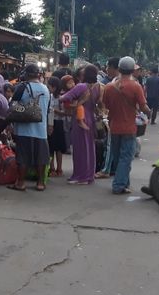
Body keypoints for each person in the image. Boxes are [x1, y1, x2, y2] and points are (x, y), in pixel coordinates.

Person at [103, 57, 150, 195]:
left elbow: (106, 105)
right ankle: (118, 185)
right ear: (132, 70)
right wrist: (148, 112)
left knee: (118, 157)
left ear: (119, 68)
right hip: (129, 127)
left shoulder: (109, 87)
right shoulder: (135, 86)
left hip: (114, 126)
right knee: (126, 158)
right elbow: (143, 106)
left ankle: (124, 183)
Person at [10, 64, 52, 191]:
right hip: (41, 128)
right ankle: (40, 183)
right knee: (41, 157)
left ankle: (21, 183)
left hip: (23, 129)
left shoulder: (21, 87)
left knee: (22, 156)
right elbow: (48, 108)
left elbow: (12, 105)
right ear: (39, 75)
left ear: (26, 74)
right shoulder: (45, 89)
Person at [60, 65, 103, 185]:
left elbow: (64, 98)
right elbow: (99, 103)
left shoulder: (81, 86)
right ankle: (89, 175)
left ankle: (80, 176)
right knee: (89, 148)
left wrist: (72, 101)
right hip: (91, 118)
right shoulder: (98, 87)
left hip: (80, 117)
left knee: (79, 149)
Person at [47, 76, 67, 177]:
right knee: (51, 147)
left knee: (57, 148)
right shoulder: (49, 96)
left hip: (57, 123)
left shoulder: (61, 98)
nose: (48, 87)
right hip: (53, 123)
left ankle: (59, 168)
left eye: (49, 86)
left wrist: (54, 111)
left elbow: (65, 113)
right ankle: (52, 168)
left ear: (54, 87)